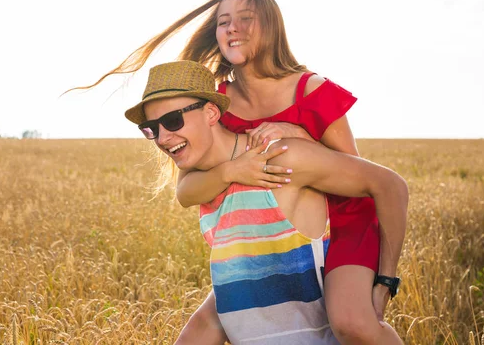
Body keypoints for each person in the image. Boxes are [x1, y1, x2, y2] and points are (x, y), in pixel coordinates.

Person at [77, 0, 402, 344]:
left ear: (272, 28)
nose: (232, 28)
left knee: (351, 323)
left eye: (246, 19)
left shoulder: (310, 90)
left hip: (338, 221)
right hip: (270, 229)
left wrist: (302, 137)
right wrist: (232, 171)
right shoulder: (221, 99)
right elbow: (188, 188)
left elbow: (354, 173)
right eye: (223, 22)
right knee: (204, 327)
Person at [124, 60, 408, 344]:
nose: (162, 138)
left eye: (173, 121)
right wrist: (229, 172)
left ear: (211, 112)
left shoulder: (279, 159)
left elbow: (390, 186)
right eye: (150, 128)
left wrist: (385, 281)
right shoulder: (204, 182)